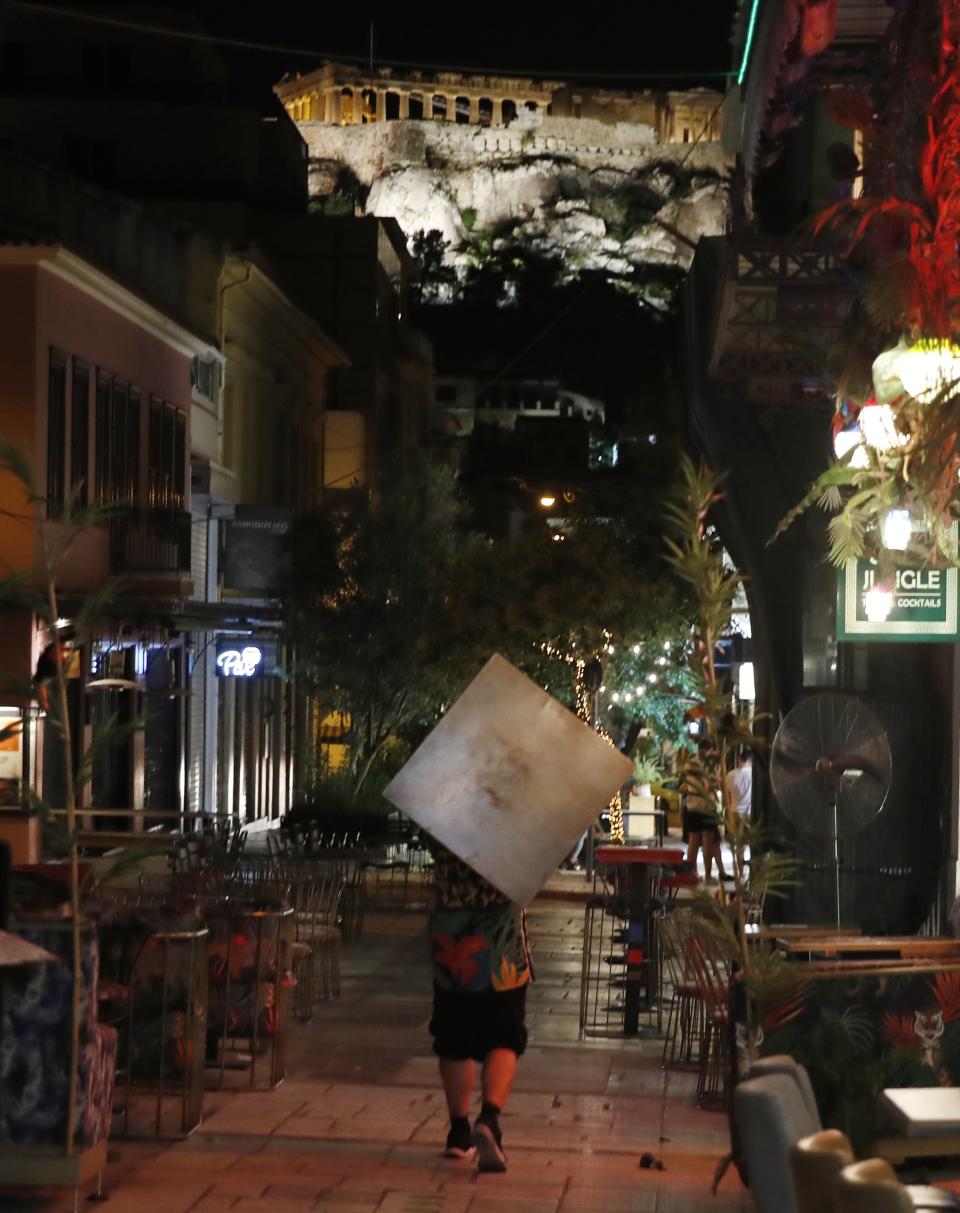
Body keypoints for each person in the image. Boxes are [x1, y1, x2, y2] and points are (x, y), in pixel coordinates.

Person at [428, 839, 532, 1172]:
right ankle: (489, 1118)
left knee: (453, 1034)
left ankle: (458, 1133)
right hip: (499, 929)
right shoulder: (508, 819)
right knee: (504, 1033)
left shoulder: (439, 805)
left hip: (450, 930)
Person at [681, 738, 728, 883]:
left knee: (693, 840)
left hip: (692, 806)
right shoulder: (710, 764)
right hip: (706, 807)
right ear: (710, 748)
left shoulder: (690, 763)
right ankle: (707, 875)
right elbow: (712, 785)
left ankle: (691, 874)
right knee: (708, 840)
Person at [724, 748, 753, 823]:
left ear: (739, 758)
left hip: (734, 812)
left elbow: (727, 795)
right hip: (750, 813)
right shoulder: (754, 774)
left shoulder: (730, 775)